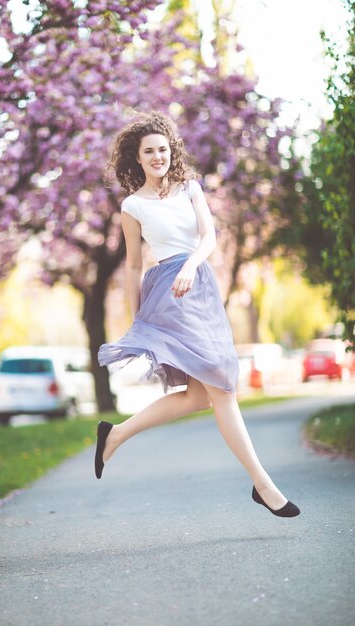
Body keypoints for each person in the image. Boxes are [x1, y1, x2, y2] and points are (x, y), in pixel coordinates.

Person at [96, 111, 299, 518]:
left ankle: (115, 435)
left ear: (172, 152)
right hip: (168, 293)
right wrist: (139, 319)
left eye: (162, 149)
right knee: (222, 388)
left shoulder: (190, 188)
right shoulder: (132, 206)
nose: (157, 157)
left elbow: (208, 238)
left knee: (199, 396)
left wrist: (191, 265)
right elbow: (134, 266)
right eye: (148, 152)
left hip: (200, 285)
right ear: (137, 159)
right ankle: (264, 485)